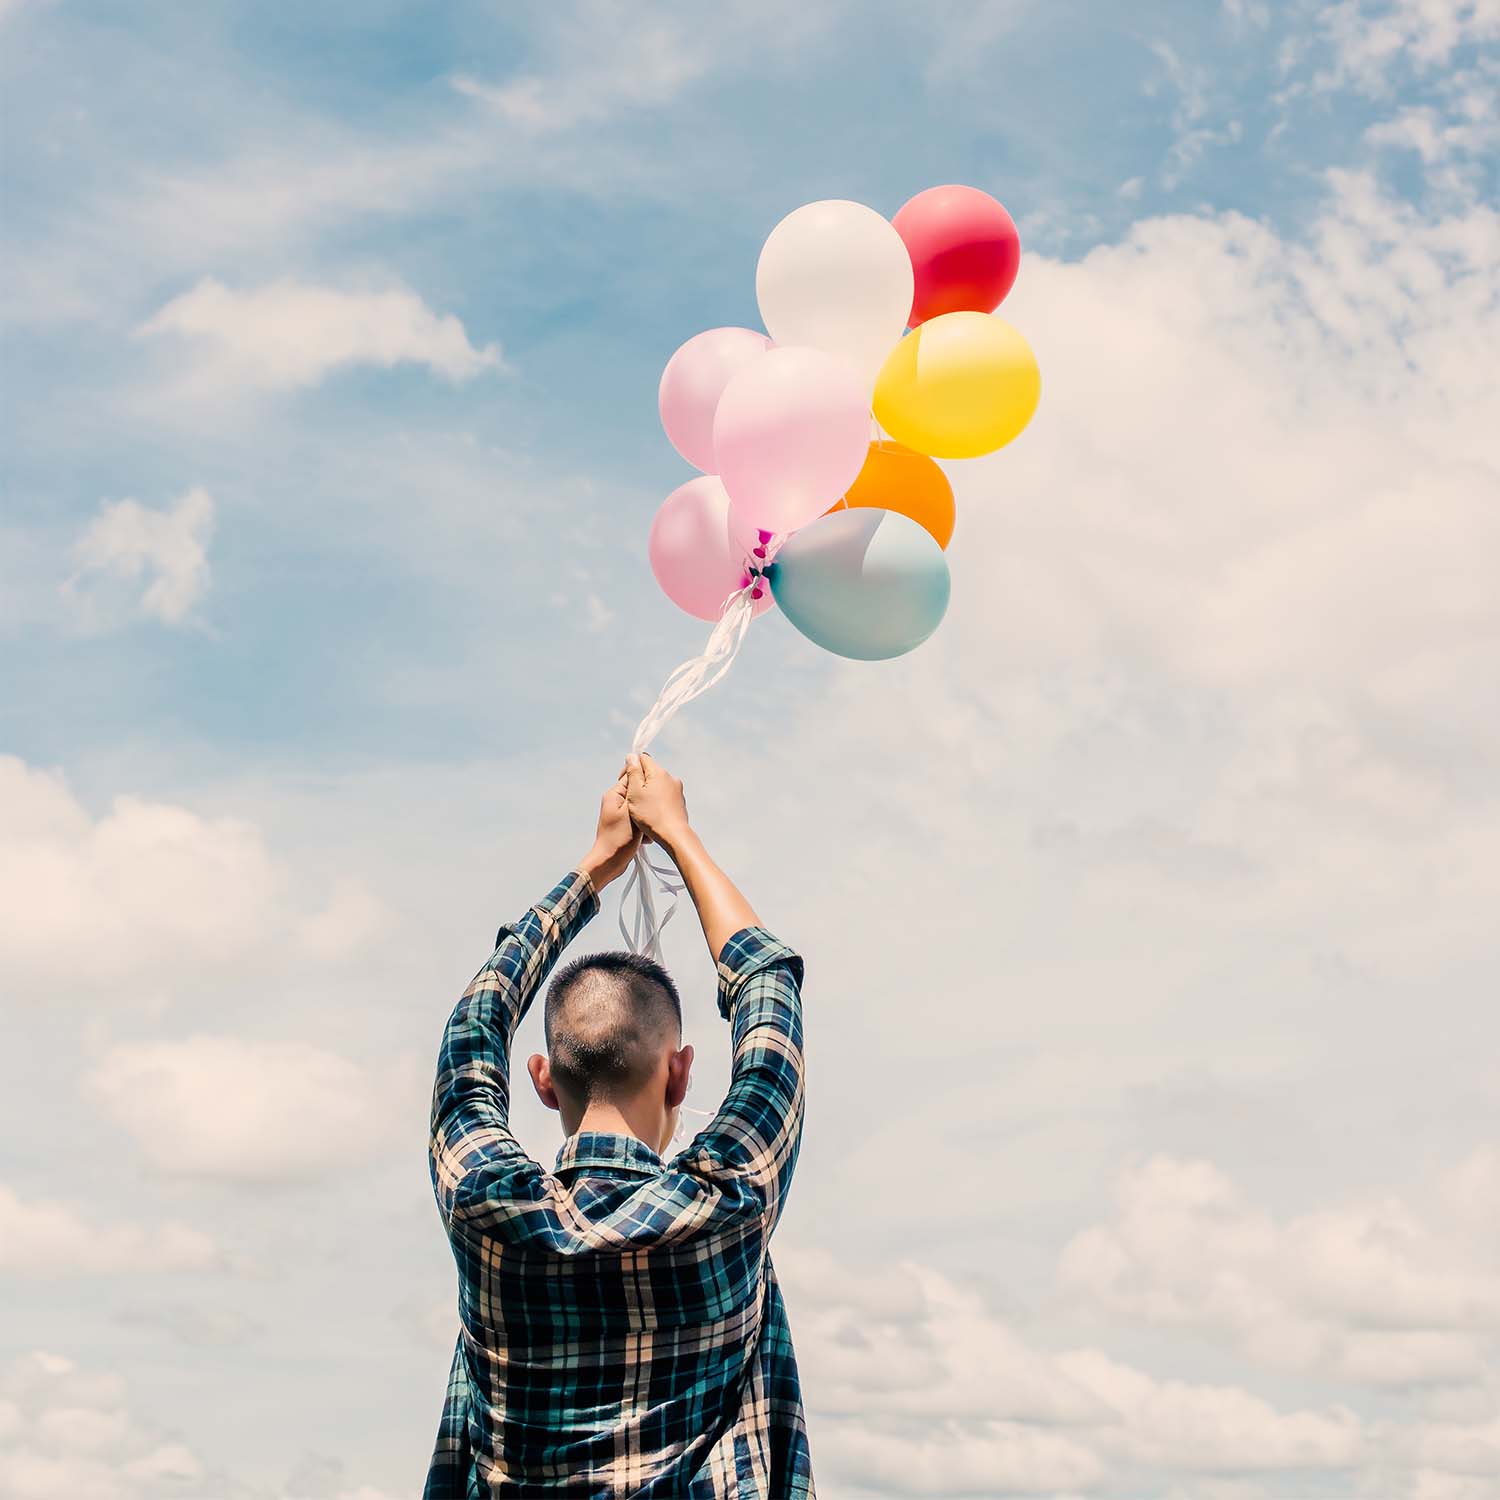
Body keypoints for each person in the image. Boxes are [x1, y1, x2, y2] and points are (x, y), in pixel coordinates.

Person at [425, 751, 813, 1497]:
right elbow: (769, 988)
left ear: (542, 1080)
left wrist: (595, 867)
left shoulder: (485, 1206)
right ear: (680, 1071)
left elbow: (474, 1028)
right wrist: (678, 836)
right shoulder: (727, 1206)